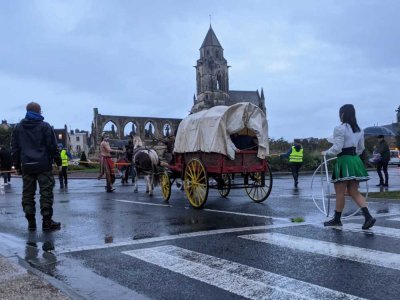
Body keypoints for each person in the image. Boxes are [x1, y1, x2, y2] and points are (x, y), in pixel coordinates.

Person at [321, 104, 375, 229]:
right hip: (355, 160)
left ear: (343, 114)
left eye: (340, 113)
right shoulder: (359, 130)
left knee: (340, 192)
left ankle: (337, 219)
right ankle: (368, 217)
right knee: (353, 191)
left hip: (344, 161)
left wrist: (326, 153)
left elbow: (337, 147)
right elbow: (361, 148)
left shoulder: (340, 128)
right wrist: (353, 156)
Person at [11, 102, 62, 231]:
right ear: (39, 112)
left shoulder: (18, 128)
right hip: (43, 165)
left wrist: (17, 166)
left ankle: (31, 222)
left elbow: (15, 149)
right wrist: (59, 162)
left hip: (27, 165)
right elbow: (52, 146)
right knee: (46, 193)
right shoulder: (45, 126)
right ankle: (46, 222)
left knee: (28, 194)